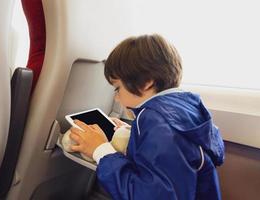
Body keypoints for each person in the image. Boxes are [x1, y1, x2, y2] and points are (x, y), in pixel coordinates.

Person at [69, 34, 225, 200]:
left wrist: (100, 150)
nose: (116, 97)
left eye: (117, 88)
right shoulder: (182, 109)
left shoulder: (161, 127)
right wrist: (132, 133)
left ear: (146, 82)